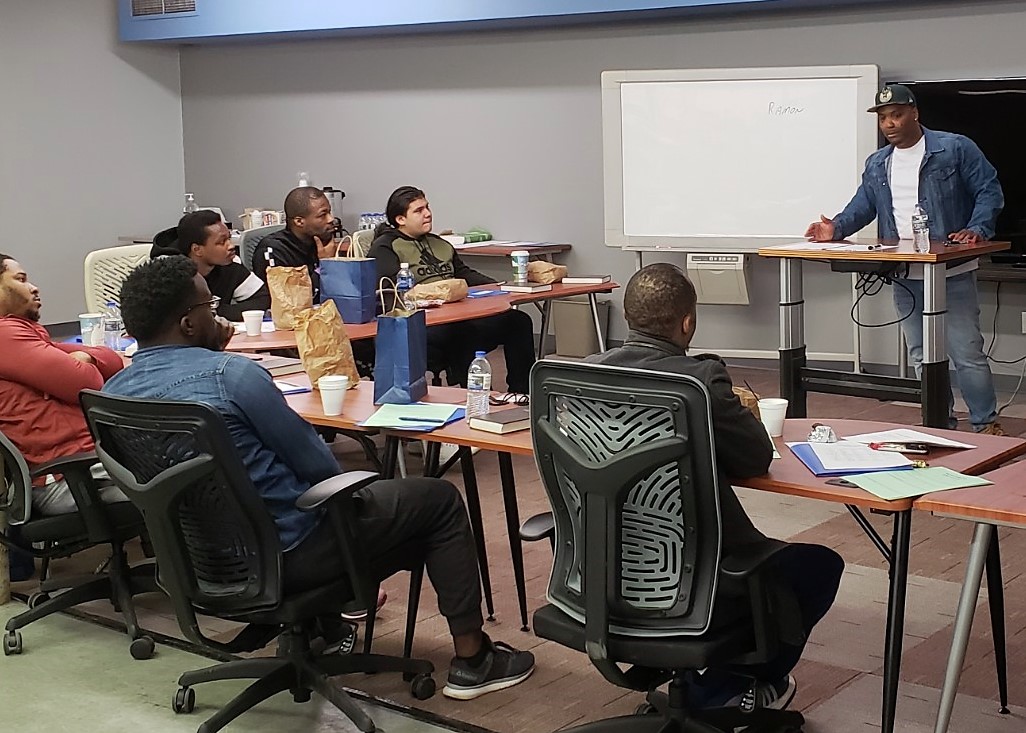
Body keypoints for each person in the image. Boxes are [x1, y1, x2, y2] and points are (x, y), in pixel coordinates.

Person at [104, 256, 535, 700]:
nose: (217, 314)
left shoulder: (112, 393)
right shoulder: (231, 377)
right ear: (188, 324)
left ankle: (326, 625)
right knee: (437, 500)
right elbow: (319, 468)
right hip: (291, 554)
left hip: (196, 563)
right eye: (209, 305)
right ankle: (473, 659)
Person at [587, 263, 844, 711]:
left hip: (604, 572)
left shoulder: (585, 377)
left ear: (628, 316)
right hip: (691, 579)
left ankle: (700, 686)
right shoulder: (698, 381)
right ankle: (724, 690)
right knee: (818, 568)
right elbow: (753, 457)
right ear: (688, 323)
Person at [805, 83, 1005, 434]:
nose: (889, 124)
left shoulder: (955, 148)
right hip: (904, 274)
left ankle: (986, 424)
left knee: (966, 353)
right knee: (920, 353)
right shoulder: (878, 163)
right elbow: (862, 206)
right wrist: (834, 228)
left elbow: (989, 190)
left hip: (950, 271)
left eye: (896, 115)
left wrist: (977, 229)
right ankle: (939, 423)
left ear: (914, 113)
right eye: (883, 118)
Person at [368, 186, 535, 394]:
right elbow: (389, 290)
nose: (428, 214)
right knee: (464, 331)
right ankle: (480, 397)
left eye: (427, 207)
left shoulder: (440, 244)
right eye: (419, 211)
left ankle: (522, 394)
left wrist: (502, 287)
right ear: (400, 219)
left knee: (517, 321)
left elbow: (464, 274)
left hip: (460, 315)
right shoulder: (385, 247)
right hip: (424, 325)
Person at [0, 253, 129, 520]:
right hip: (71, 477)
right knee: (193, 488)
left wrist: (85, 358)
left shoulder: (26, 335)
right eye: (21, 279)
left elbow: (111, 359)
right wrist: (82, 361)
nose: (34, 287)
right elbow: (87, 382)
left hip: (86, 467)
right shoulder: (5, 336)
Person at [151, 210, 271, 321]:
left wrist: (214, 312)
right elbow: (168, 315)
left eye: (229, 238)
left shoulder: (230, 264)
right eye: (221, 242)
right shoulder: (168, 272)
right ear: (197, 249)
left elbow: (263, 299)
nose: (231, 246)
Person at [252, 186, 340, 301]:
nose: (331, 219)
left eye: (329, 212)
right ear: (299, 221)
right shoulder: (273, 250)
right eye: (322, 215)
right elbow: (290, 300)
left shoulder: (320, 242)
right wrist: (325, 266)